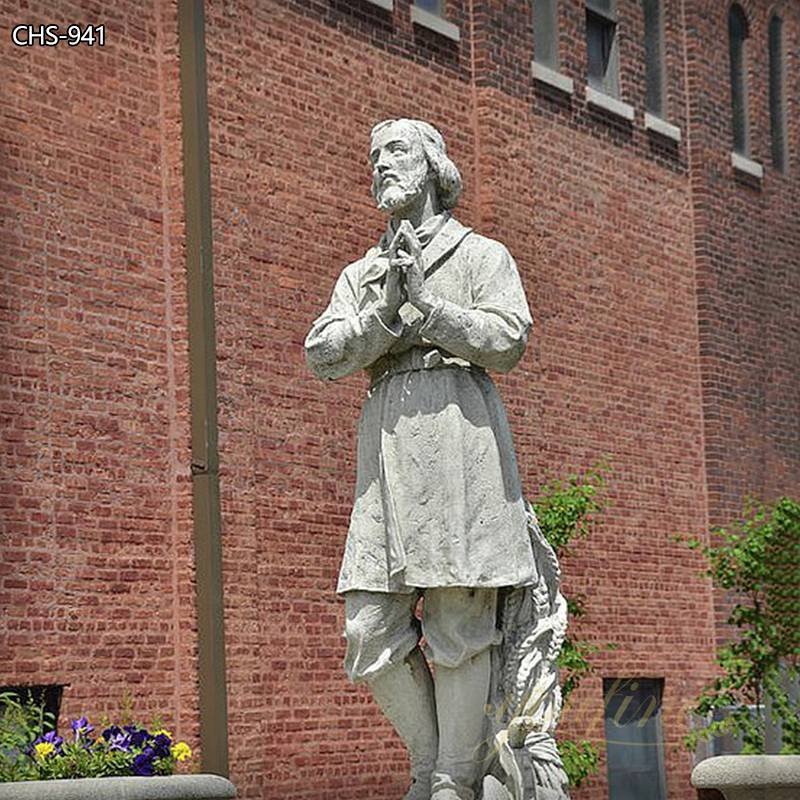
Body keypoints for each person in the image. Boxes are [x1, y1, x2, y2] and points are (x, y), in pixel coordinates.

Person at [305, 118, 538, 800]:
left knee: (459, 620)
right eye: (373, 155)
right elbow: (322, 355)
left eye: (396, 151)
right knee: (367, 627)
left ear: (434, 165)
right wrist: (383, 312)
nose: (380, 164)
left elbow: (507, 339)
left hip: (459, 428)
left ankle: (448, 782)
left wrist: (430, 310)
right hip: (387, 446)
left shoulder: (480, 255)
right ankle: (436, 764)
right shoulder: (362, 273)